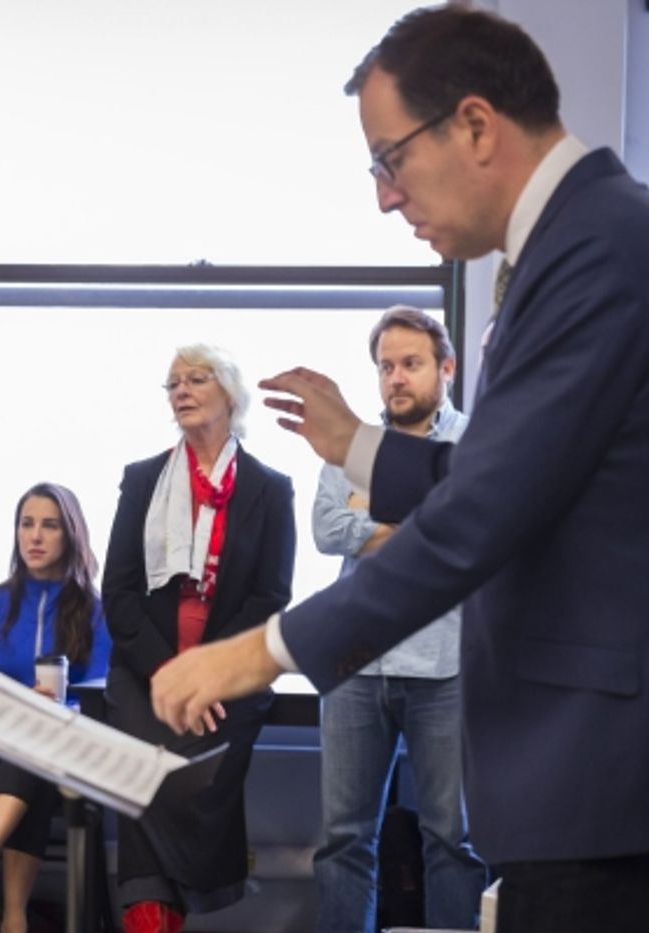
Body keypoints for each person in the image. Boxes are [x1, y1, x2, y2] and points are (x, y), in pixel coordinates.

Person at [149, 8, 649, 932]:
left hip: (598, 772)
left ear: (474, 124)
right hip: (580, 775)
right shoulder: (581, 241)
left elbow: (480, 515)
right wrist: (358, 445)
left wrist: (259, 650)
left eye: (389, 159)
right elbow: (516, 469)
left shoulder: (598, 249)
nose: (385, 196)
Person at [103, 345, 295, 932]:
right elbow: (120, 592)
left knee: (183, 784)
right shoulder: (142, 481)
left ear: (230, 396)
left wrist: (212, 673)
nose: (181, 390)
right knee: (142, 772)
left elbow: (271, 598)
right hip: (146, 671)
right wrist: (168, 671)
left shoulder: (270, 488)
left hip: (231, 674)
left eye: (196, 379)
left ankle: (158, 915)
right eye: (172, 384)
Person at [310, 307, 485, 932]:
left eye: (410, 364)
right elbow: (328, 529)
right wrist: (419, 519)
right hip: (357, 663)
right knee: (342, 841)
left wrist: (379, 520)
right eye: (386, 367)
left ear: (446, 368)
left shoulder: (477, 441)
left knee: (452, 839)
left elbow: (469, 530)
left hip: (448, 667)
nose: (396, 379)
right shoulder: (352, 444)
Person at [0, 482, 113, 931]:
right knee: (28, 756)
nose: (34, 536)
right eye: (26, 524)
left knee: (38, 752)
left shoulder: (97, 610)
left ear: (70, 535)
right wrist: (19, 704)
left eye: (49, 526)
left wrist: (55, 711)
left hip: (67, 753)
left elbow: (99, 699)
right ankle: (8, 909)